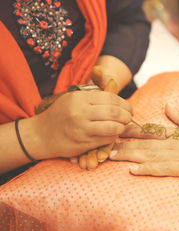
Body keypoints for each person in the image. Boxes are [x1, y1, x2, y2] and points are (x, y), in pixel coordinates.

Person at [0, 0, 150, 181]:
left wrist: (102, 87)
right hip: (16, 169)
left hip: (109, 116)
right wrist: (40, 134)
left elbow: (127, 21)